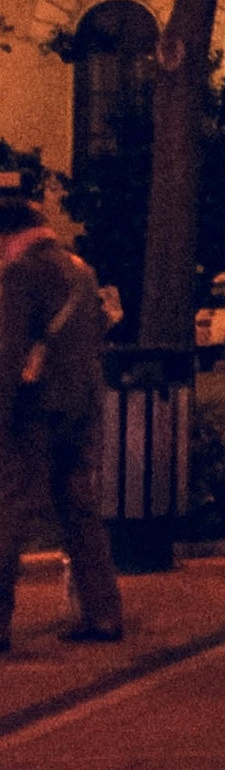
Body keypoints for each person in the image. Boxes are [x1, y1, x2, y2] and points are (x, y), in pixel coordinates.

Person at [0, 192, 124, 649]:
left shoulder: (21, 273)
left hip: (35, 413)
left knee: (10, 513)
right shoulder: (80, 269)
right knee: (80, 511)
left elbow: (10, 353)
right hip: (81, 408)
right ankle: (103, 614)